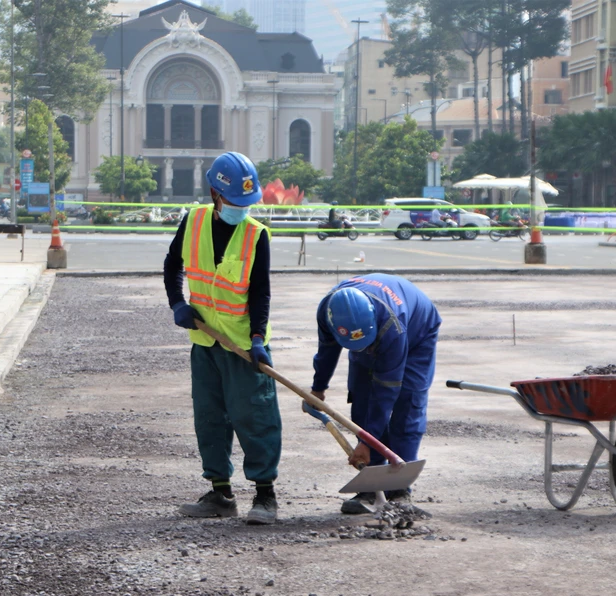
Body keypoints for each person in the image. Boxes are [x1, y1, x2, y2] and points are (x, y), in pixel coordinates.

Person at [163, 152, 282, 525]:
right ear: (215, 193)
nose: (241, 209)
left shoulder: (256, 234)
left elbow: (260, 292)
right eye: (234, 202)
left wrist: (259, 337)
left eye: (248, 203)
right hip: (205, 341)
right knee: (210, 417)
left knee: (255, 416)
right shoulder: (194, 221)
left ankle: (265, 496)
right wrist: (177, 304)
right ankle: (220, 492)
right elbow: (172, 264)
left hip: (245, 346)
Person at [308, 274, 441, 514]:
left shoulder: (393, 327)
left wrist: (364, 442)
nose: (366, 351)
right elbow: (327, 351)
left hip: (417, 333)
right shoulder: (328, 312)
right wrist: (318, 389)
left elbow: (386, 392)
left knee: (406, 403)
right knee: (361, 397)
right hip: (376, 327)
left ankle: (400, 488)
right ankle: (372, 486)